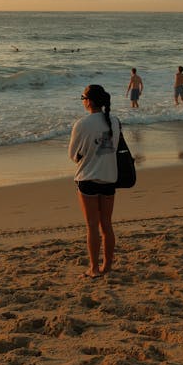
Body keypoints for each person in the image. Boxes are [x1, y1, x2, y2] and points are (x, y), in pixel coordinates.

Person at [68, 84, 121, 278]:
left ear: (89, 101)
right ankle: (107, 266)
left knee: (92, 225)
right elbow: (111, 148)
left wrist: (87, 153)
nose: (82, 101)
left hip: (88, 178)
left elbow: (73, 155)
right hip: (109, 177)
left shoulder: (82, 124)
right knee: (106, 224)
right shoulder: (114, 121)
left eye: (83, 98)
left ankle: (93, 268)